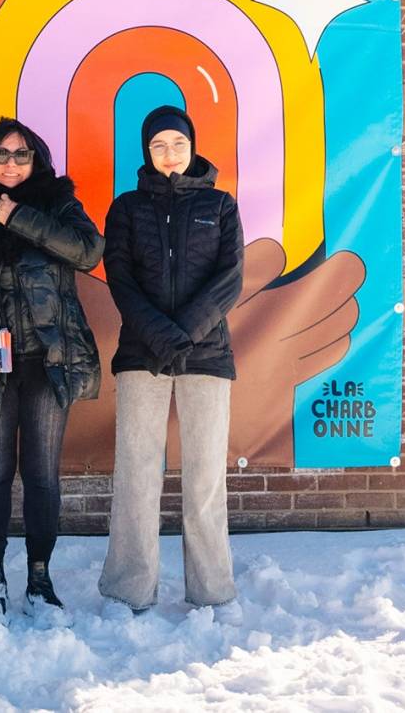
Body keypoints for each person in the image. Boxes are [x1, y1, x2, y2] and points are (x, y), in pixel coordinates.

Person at [0, 117, 102, 621]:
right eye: (1, 153)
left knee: (41, 475)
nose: (11, 163)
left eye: (21, 154)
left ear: (37, 160)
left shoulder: (56, 204)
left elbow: (89, 252)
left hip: (50, 364)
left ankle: (39, 577)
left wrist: (19, 218)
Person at [97, 105, 244, 613]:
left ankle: (212, 591)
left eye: (177, 144)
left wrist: (185, 334)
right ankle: (127, 590)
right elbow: (121, 279)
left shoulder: (221, 206)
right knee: (136, 474)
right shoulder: (126, 208)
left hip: (207, 356)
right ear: (146, 152)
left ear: (192, 146)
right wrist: (162, 336)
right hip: (142, 355)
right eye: (159, 145)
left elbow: (229, 281)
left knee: (205, 478)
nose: (170, 154)